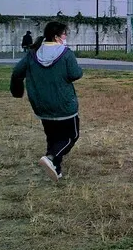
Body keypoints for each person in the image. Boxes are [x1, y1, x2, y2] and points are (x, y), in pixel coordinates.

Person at [11, 21, 83, 182]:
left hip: (41, 105)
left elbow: (17, 72)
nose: (66, 37)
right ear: (57, 37)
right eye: (65, 34)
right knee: (71, 136)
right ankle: (51, 158)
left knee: (53, 137)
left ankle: (55, 169)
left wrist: (17, 91)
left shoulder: (33, 53)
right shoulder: (65, 53)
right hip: (64, 105)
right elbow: (75, 74)